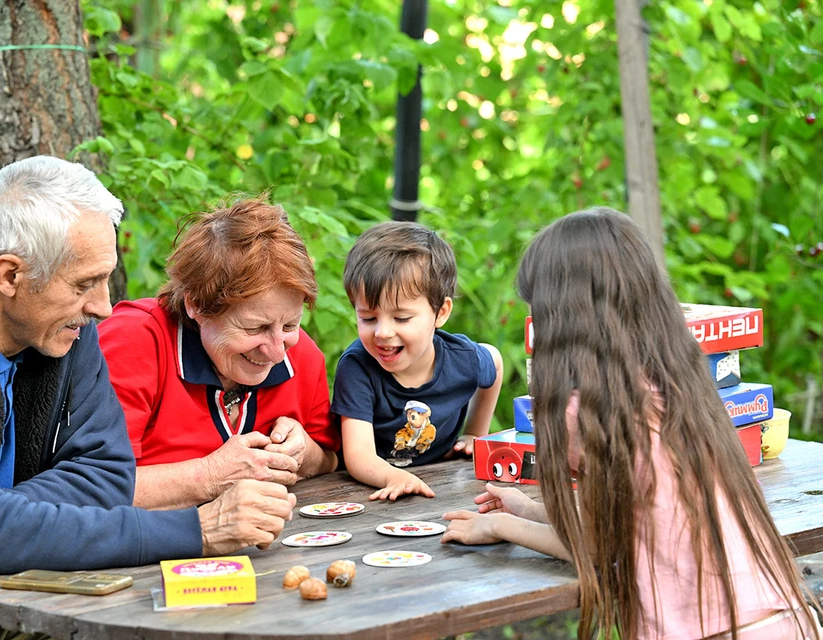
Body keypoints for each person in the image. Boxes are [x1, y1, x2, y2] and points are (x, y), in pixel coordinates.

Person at [0, 157, 295, 637]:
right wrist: (198, 531)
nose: (104, 306)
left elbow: (106, 474)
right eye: (85, 283)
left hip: (18, 595)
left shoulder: (60, 323)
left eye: (104, 278)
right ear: (9, 276)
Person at [441, 208, 823, 640]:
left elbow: (600, 547)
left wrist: (501, 525)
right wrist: (529, 509)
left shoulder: (582, 413)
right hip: (788, 623)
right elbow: (637, 520)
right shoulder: (681, 388)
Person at [97, 198, 340, 510]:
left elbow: (332, 460)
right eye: (256, 328)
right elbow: (91, 487)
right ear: (196, 304)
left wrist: (306, 454)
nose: (278, 351)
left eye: (291, 323)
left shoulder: (302, 354)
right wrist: (211, 475)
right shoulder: (134, 342)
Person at [331, 221, 503, 501]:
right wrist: (393, 476)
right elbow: (358, 455)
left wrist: (475, 434)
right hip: (365, 491)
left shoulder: (464, 359)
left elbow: (494, 362)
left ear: (441, 312)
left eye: (402, 318)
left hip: (444, 488)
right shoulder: (357, 368)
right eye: (368, 318)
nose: (383, 332)